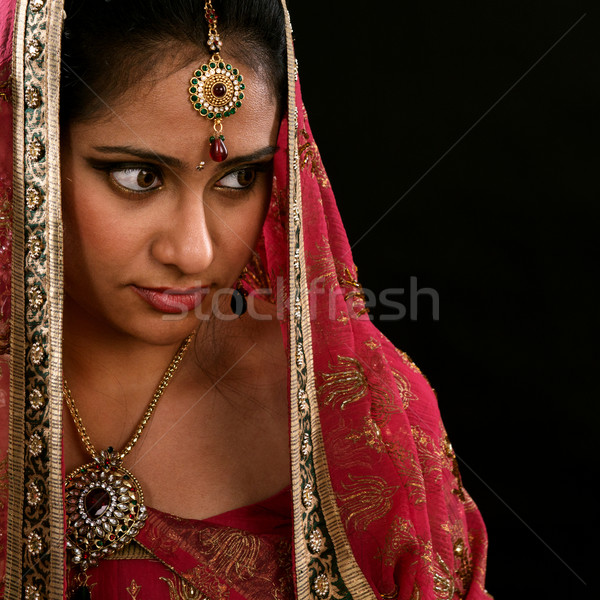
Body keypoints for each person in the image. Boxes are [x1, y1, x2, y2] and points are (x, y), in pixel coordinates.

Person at [0, 0, 492, 598]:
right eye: (139, 177)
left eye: (239, 179)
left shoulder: (359, 415)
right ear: (24, 149)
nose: (196, 252)